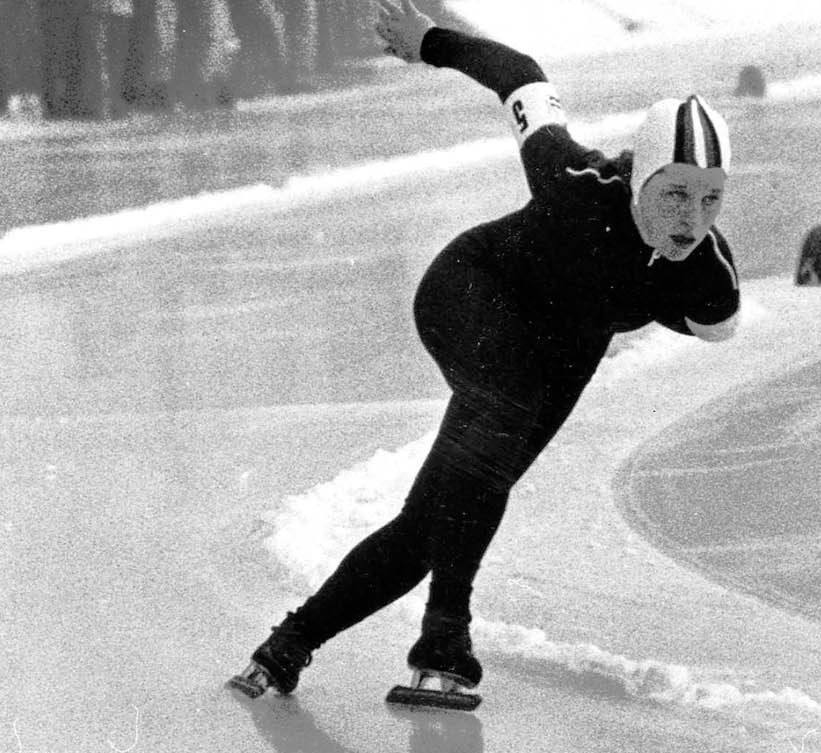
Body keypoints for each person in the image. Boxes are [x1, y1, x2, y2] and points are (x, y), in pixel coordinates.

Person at [234, 0, 741, 698]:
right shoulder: (575, 184)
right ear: (641, 176)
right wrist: (430, 41)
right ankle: (445, 635)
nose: (691, 218)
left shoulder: (705, 271)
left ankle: (287, 645)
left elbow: (719, 323)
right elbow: (523, 78)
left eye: (711, 199)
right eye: (676, 193)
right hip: (472, 290)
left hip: (561, 355)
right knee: (503, 412)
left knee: (432, 524)